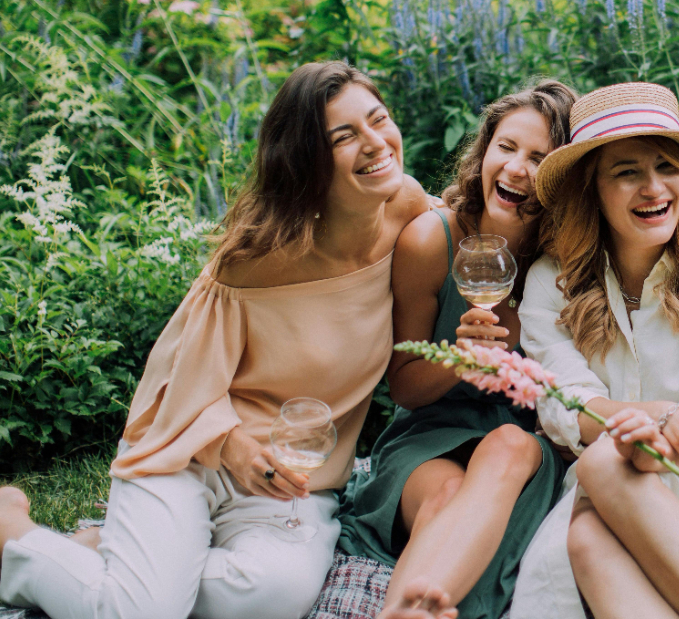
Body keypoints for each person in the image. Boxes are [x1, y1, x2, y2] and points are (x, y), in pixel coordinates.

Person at [0, 61, 433, 619]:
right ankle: (16, 538)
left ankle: (114, 561)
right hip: (191, 450)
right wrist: (234, 447)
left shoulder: (408, 209)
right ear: (306, 160)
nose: (375, 143)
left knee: (273, 596)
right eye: (343, 137)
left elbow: (471, 235)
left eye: (379, 119)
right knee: (138, 615)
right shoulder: (260, 258)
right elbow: (176, 380)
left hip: (292, 478)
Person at [509, 83, 679, 619]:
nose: (654, 187)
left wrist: (638, 437)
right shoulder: (552, 281)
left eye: (666, 167)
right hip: (607, 475)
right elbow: (563, 404)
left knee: (597, 493)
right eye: (626, 172)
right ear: (592, 189)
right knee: (588, 529)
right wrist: (661, 416)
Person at [337, 81, 575, 619]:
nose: (516, 168)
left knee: (511, 444)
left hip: (523, 447)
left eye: (539, 159)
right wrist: (460, 359)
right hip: (430, 436)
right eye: (506, 147)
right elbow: (404, 387)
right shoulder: (431, 241)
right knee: (445, 499)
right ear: (484, 151)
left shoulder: (567, 265)